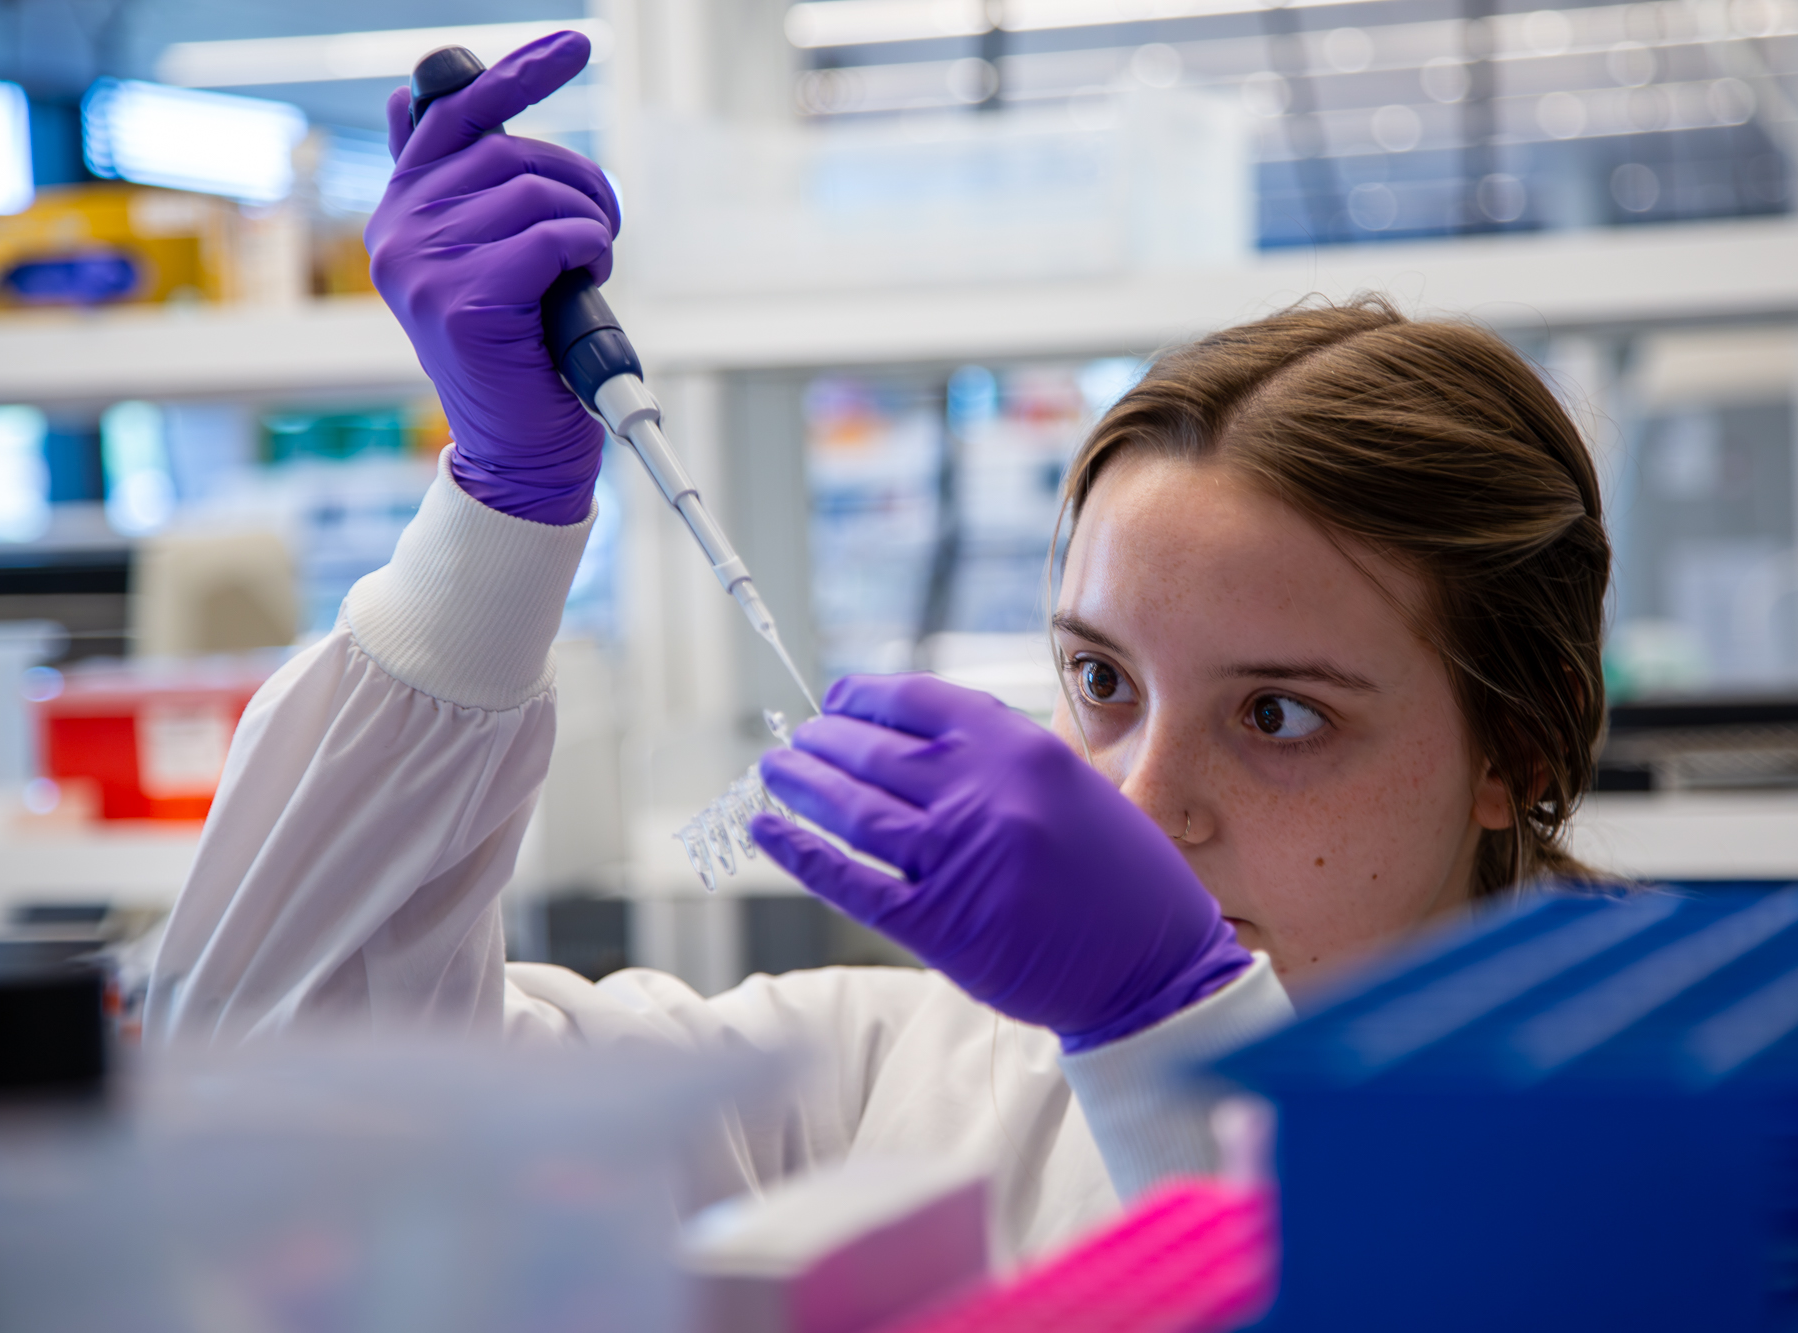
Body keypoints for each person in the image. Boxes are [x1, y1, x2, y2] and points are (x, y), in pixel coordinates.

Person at [144, 32, 1611, 1256]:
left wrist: (1168, 1024)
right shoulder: (920, 1079)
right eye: (1102, 680)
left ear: (1516, 750)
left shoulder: (1665, 1144)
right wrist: (497, 516)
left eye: (1280, 713)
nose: (1144, 805)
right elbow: (279, 1104)